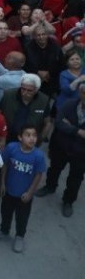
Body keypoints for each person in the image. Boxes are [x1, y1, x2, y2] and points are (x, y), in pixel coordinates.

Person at [0, 123, 46, 253]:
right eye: (28, 135)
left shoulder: (38, 156)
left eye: (34, 135)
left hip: (24, 194)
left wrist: (30, 193)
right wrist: (2, 184)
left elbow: (38, 175)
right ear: (20, 137)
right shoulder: (11, 148)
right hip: (9, 190)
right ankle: (4, 231)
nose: (32, 138)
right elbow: (5, 165)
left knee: (22, 216)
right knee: (5, 211)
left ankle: (19, 236)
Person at [36, 83, 85, 217]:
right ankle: (50, 187)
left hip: (81, 153)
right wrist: (77, 131)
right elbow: (58, 122)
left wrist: (69, 126)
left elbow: (64, 125)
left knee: (76, 178)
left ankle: (68, 201)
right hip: (61, 146)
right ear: (81, 93)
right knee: (54, 168)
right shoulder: (69, 104)